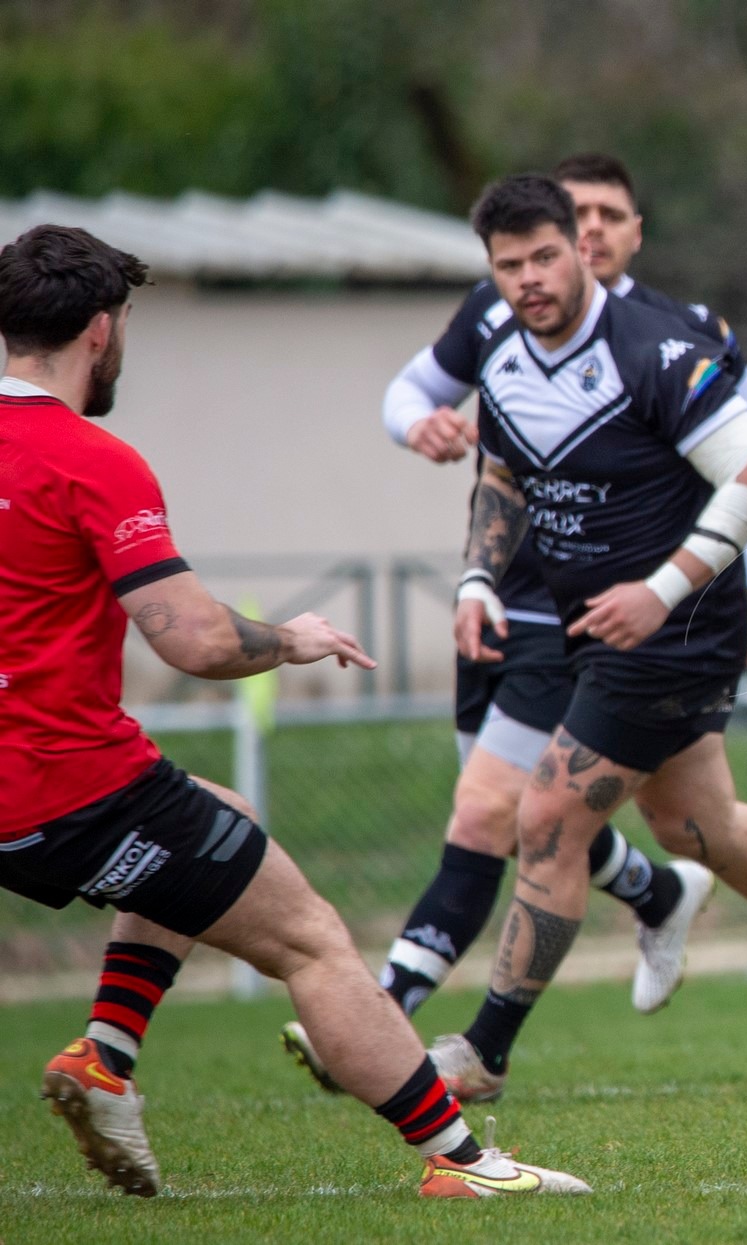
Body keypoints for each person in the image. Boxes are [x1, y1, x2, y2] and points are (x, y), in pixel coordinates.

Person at [0, 224, 585, 1198]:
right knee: (310, 938)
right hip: (71, 785)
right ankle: (461, 1162)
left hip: (25, 801)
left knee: (222, 817)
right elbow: (192, 638)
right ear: (102, 331)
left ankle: (106, 1057)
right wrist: (290, 637)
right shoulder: (91, 461)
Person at [425, 174, 747, 1104]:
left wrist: (658, 591)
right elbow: (503, 473)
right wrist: (480, 575)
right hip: (596, 628)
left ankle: (483, 1051)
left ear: (582, 247)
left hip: (677, 629)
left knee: (548, 816)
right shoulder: (504, 354)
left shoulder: (657, 350)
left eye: (545, 257)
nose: (529, 279)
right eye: (507, 265)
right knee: (701, 828)